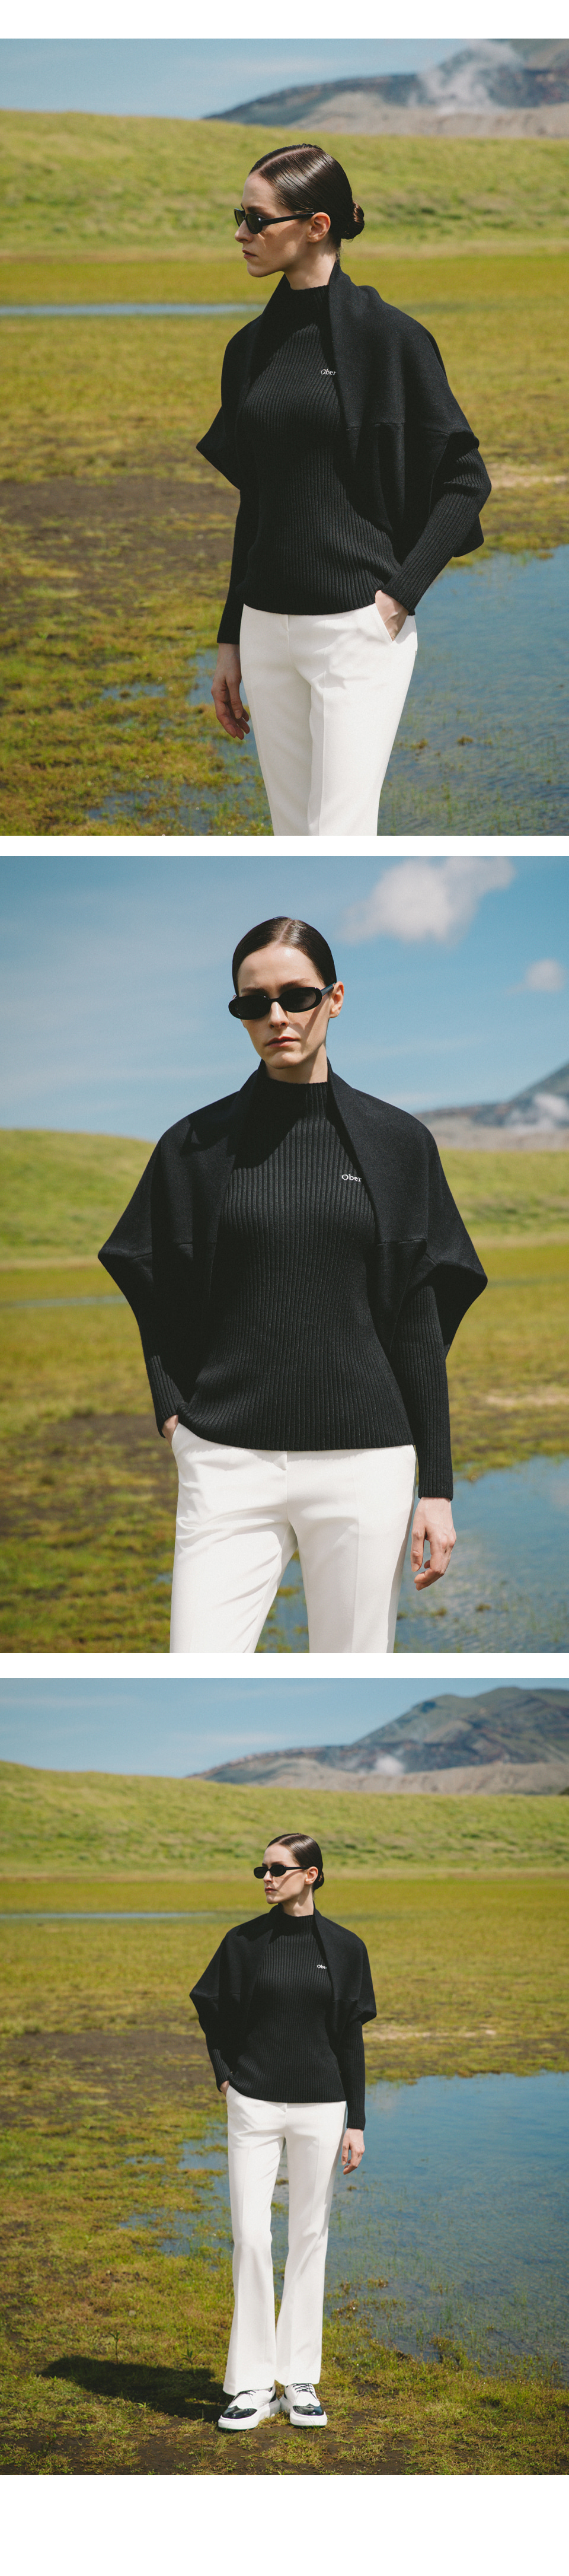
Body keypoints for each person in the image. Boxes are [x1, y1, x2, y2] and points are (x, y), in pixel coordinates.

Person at [98, 915, 487, 1655]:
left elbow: (419, 1322)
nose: (277, 1016)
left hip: (366, 1464)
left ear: (334, 998)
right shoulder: (192, 1145)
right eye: (254, 1003)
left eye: (297, 996)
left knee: (353, 1668)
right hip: (225, 1460)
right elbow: (151, 1278)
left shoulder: (398, 1143)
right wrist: (173, 1410)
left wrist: (435, 1488)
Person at [197, 144, 491, 836]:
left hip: (357, 630)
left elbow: (464, 480)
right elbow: (258, 500)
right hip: (265, 631)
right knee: (292, 834)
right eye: (238, 216)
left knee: (340, 835)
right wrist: (231, 637)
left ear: (317, 226)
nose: (241, 233)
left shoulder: (393, 339)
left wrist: (398, 597)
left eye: (256, 219)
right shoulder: (247, 349)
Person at [190, 1831, 376, 2431]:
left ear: (311, 1874)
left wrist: (357, 2121)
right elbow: (210, 2007)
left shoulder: (345, 1947)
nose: (267, 1878)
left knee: (309, 2237)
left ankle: (298, 2380)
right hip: (254, 2106)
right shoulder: (243, 1942)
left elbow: (350, 2038)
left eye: (278, 1868)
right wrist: (226, 2077)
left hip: (323, 2108)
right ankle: (251, 2383)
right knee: (250, 2234)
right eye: (262, 1870)